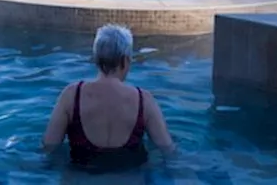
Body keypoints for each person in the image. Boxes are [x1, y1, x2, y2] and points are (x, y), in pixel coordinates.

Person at [42, 24, 176, 173]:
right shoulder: (144, 101)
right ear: (125, 61)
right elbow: (167, 150)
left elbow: (49, 148)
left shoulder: (71, 96)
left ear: (96, 58)